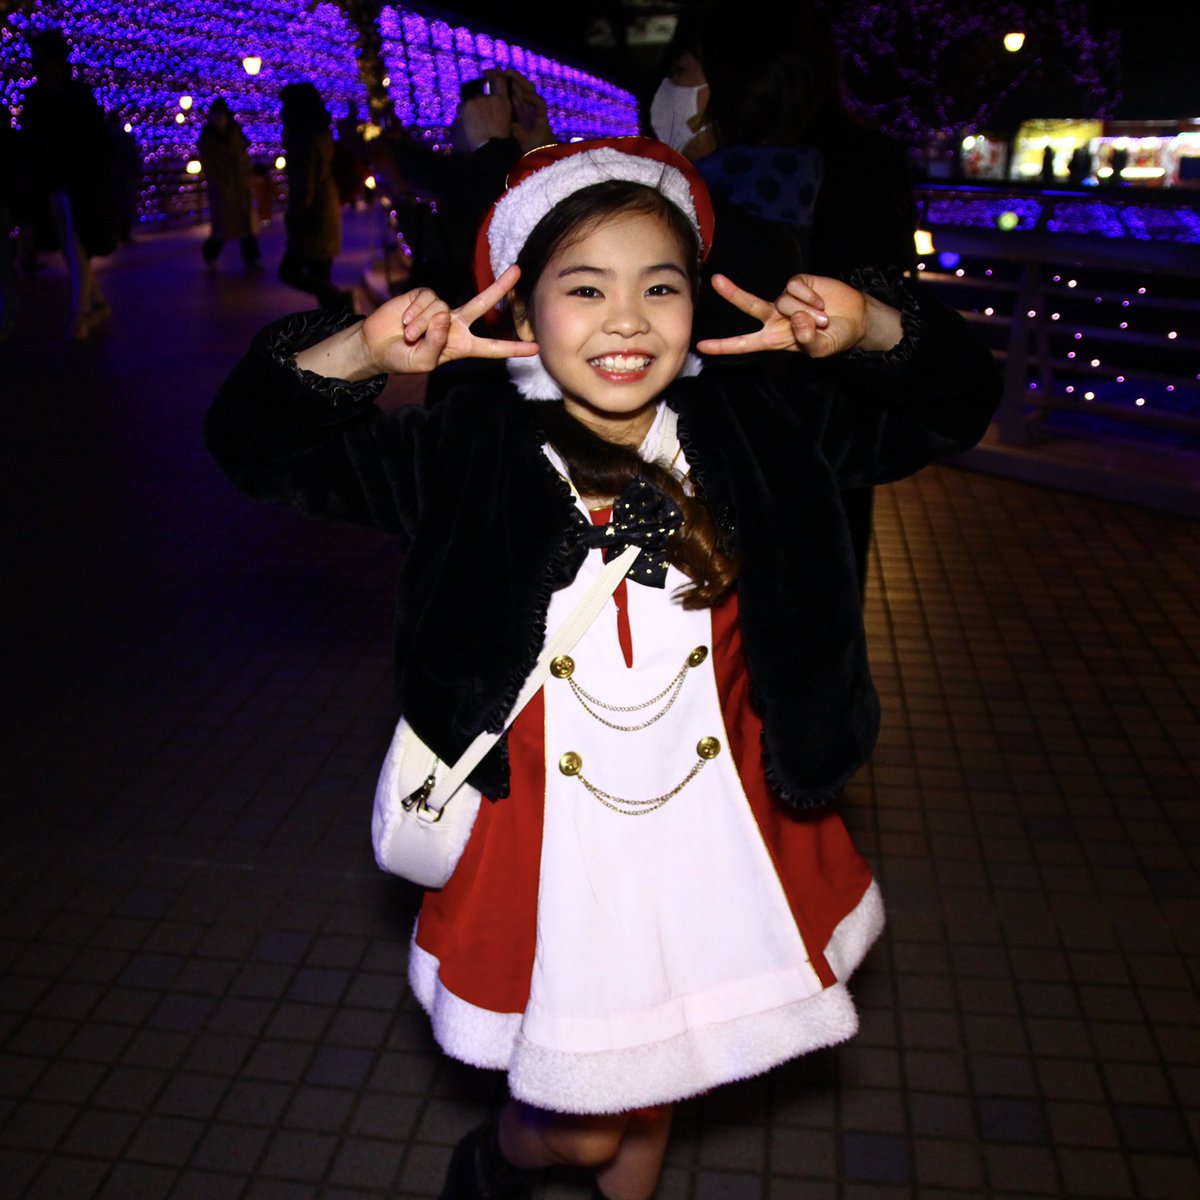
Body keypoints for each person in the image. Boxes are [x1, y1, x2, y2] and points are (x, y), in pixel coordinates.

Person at [206, 137, 1000, 1200]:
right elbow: (253, 448)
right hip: (549, 853)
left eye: (658, 287)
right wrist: (360, 350)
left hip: (713, 838)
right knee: (581, 1133)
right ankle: (496, 1161)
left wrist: (876, 327)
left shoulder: (760, 430)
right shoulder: (464, 452)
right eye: (585, 288)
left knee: (648, 1096)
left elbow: (953, 408)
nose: (626, 319)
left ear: (696, 303)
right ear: (524, 311)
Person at [682, 0, 920, 598]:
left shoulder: (713, 195)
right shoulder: (865, 161)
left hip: (778, 456)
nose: (667, 87)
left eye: (684, 69)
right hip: (828, 460)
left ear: (731, 79)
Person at [19, 27, 117, 341]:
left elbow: (95, 138)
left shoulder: (73, 96)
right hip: (54, 184)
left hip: (79, 184)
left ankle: (81, 314)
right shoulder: (39, 98)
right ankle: (96, 303)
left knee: (76, 245)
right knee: (71, 247)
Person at [277, 81, 347, 308]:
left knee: (289, 271)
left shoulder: (303, 141)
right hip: (326, 208)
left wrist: (294, 215)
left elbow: (303, 185)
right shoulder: (320, 134)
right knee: (320, 275)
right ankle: (337, 316)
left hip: (313, 217)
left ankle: (341, 302)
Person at [197, 98, 260, 269]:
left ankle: (251, 258)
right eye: (216, 115)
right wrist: (219, 183)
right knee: (225, 225)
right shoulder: (209, 139)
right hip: (223, 187)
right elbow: (210, 166)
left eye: (221, 114)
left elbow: (243, 158)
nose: (219, 118)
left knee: (244, 225)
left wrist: (246, 177)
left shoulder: (235, 133)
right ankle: (211, 253)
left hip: (240, 185)